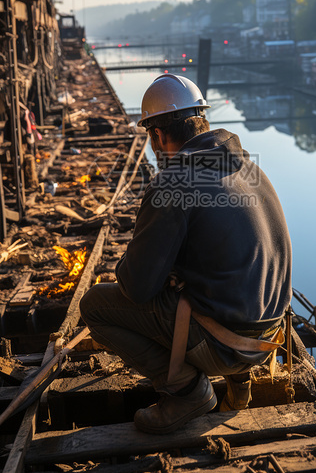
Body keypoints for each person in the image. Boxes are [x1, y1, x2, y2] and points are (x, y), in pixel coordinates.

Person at [80, 74, 292, 434]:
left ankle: (187, 391)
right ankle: (240, 384)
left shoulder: (173, 183)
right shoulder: (250, 168)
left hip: (227, 345)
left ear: (158, 135)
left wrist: (136, 266)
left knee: (95, 305)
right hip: (269, 337)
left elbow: (137, 288)